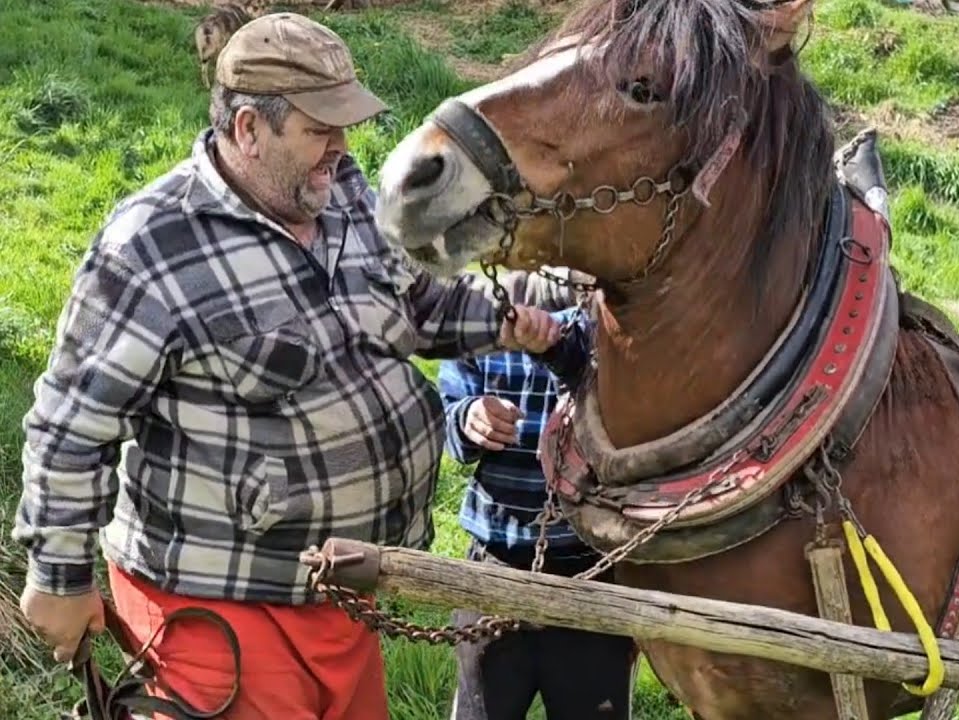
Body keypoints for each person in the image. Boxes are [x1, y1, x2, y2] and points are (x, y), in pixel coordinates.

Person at [11, 12, 564, 720]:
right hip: (216, 608)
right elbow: (69, 425)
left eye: (345, 126)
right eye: (319, 130)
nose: (341, 147)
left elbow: (417, 306)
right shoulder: (151, 249)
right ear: (248, 129)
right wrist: (58, 576)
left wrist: (505, 324)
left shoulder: (344, 201)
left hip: (337, 591)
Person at [439, 285, 637, 720]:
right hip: (494, 562)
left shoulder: (609, 319)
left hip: (589, 569)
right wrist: (468, 418)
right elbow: (446, 411)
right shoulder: (480, 323)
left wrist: (555, 348)